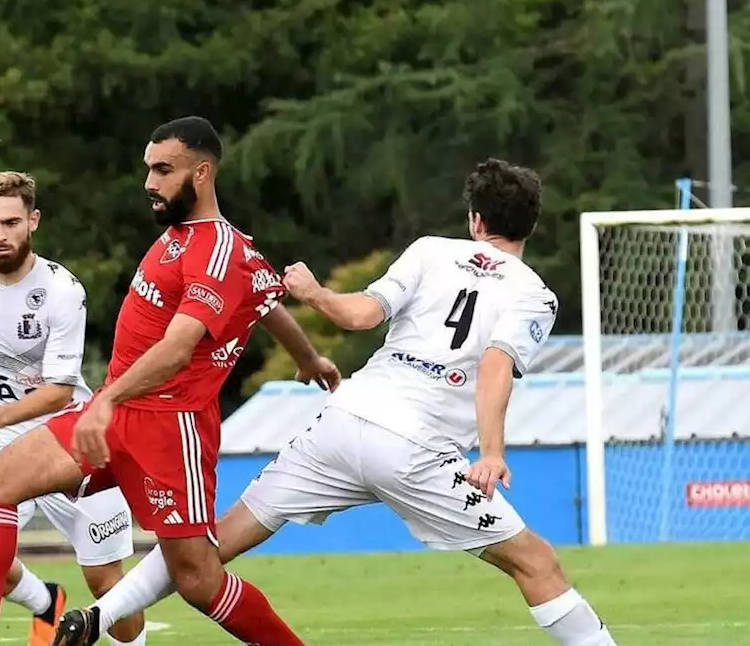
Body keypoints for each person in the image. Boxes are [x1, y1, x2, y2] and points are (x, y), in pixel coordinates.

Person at [57, 159, 619, 646]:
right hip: (416, 451)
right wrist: (492, 451)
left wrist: (313, 293)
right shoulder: (535, 295)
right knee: (535, 562)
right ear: (531, 226)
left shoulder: (430, 251)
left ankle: (96, 617)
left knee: (213, 543)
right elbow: (495, 366)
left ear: (475, 219)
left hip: (346, 420)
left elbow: (359, 316)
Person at [0, 116, 340, 646]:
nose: (150, 183)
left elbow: (178, 349)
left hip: (170, 433)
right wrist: (309, 358)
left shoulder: (219, 249)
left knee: (198, 579)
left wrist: (106, 400)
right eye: (148, 170)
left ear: (201, 173)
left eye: (163, 170)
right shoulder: (184, 239)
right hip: (118, 415)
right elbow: (268, 302)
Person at [0, 171, 147, 646]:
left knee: (106, 584)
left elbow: (58, 391)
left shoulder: (61, 291)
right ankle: (45, 604)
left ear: (33, 221)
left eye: (10, 222)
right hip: (4, 436)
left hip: (70, 433)